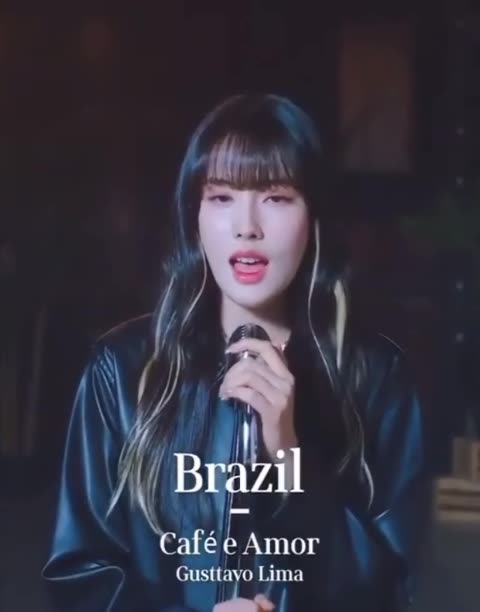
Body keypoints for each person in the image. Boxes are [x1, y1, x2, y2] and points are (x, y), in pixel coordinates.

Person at [42, 93, 427, 611]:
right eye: (222, 197)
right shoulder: (123, 369)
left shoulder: (373, 376)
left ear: (314, 216)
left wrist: (289, 459)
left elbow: (392, 588)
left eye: (276, 197)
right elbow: (80, 577)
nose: (247, 226)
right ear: (195, 215)